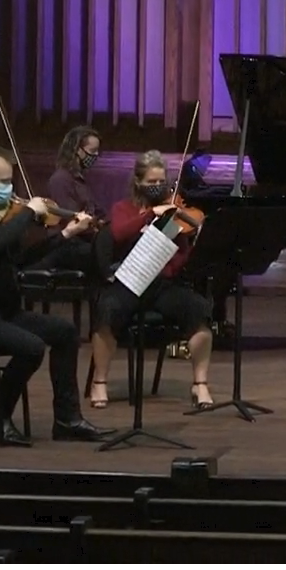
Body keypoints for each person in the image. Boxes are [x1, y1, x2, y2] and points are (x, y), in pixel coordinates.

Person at [0, 144, 113, 447]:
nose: (10, 191)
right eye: (4, 182)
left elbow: (21, 260)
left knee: (65, 332)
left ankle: (66, 419)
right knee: (30, 348)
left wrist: (65, 235)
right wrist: (28, 212)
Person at [87, 151, 216, 411]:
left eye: (161, 182)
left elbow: (181, 253)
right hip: (128, 282)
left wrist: (176, 261)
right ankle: (99, 381)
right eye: (151, 182)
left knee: (199, 309)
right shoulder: (123, 209)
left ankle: (200, 383)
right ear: (138, 182)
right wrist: (149, 215)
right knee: (107, 310)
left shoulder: (172, 213)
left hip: (161, 285)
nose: (157, 187)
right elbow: (120, 233)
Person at [21, 125, 104, 272]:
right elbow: (70, 219)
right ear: (78, 150)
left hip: (82, 241)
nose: (96, 155)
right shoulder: (61, 179)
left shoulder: (80, 180)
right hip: (67, 245)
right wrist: (92, 225)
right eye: (92, 151)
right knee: (101, 254)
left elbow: (97, 211)